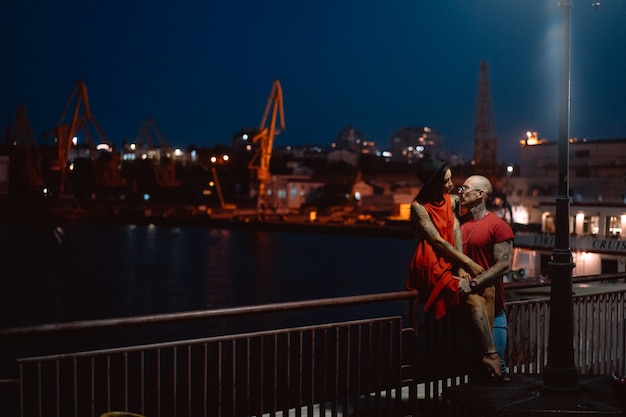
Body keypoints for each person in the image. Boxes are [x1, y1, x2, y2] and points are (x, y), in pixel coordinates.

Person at [405, 156, 503, 381]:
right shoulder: (418, 207)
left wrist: (461, 265)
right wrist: (467, 262)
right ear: (433, 184)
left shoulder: (450, 201)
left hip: (450, 261)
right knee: (476, 299)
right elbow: (437, 241)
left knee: (489, 290)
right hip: (431, 263)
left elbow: (458, 228)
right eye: (446, 181)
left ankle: (483, 351)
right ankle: (489, 354)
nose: (451, 185)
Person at [458, 174, 515, 381]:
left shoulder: (498, 226)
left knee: (496, 368)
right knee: (472, 370)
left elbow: (504, 265)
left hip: (493, 309)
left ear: (480, 194)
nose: (460, 192)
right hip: (465, 309)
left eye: (465, 188)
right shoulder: (459, 224)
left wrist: (474, 282)